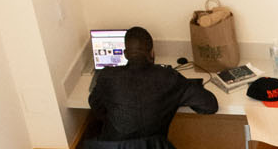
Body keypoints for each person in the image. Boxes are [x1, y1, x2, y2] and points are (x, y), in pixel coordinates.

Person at [88, 25, 217, 139]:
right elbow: (210, 105)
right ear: (152, 53)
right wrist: (175, 101)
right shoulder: (169, 78)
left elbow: (95, 105)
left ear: (125, 54)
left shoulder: (107, 76)